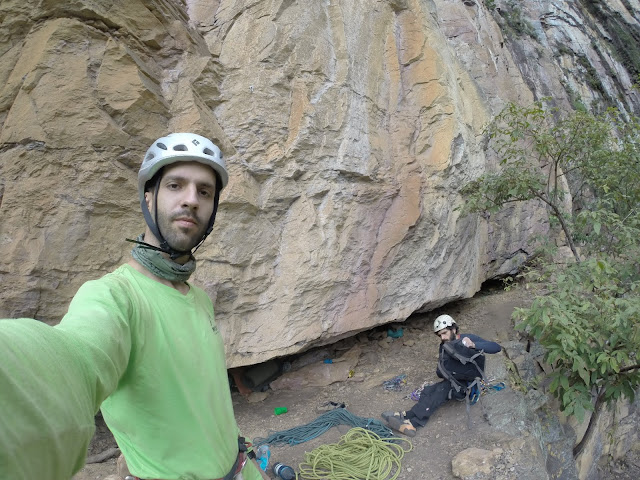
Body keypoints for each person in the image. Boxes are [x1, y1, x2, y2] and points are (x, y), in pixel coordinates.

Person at [0, 133, 267, 480]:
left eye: (205, 192)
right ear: (149, 195)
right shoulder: (113, 297)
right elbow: (74, 355)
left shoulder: (197, 298)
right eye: (175, 185)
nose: (191, 200)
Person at [381, 314, 502, 437]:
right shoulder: (445, 346)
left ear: (453, 329)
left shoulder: (468, 338)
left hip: (468, 386)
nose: (443, 337)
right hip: (455, 380)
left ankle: (413, 423)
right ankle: (407, 414)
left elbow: (496, 347)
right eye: (440, 335)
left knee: (441, 391)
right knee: (428, 391)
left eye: (444, 333)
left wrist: (474, 345)